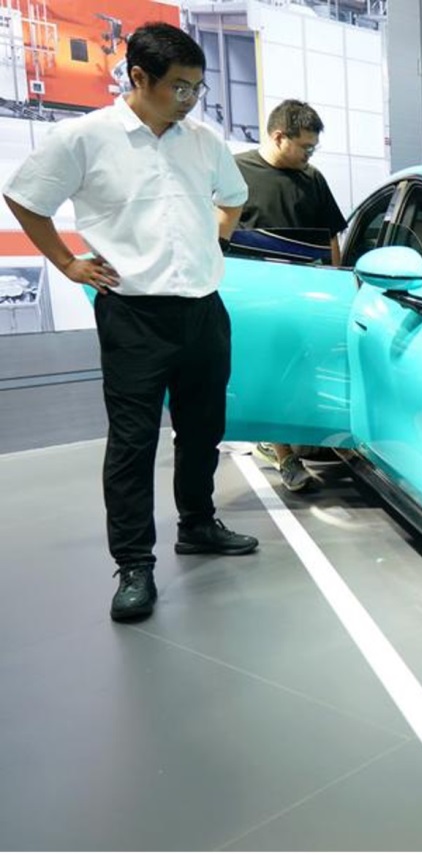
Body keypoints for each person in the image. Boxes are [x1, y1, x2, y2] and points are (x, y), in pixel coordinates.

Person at [2, 22, 256, 623]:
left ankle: (196, 524)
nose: (190, 98)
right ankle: (135, 564)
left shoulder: (203, 140)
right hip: (134, 314)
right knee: (133, 443)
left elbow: (234, 195)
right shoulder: (84, 137)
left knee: (203, 432)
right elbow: (25, 197)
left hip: (203, 309)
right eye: (179, 87)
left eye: (197, 87)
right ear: (138, 78)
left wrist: (215, 234)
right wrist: (67, 262)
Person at [236, 99, 348, 492]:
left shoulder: (312, 179)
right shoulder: (237, 172)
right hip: (259, 303)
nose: (309, 154)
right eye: (305, 147)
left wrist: (336, 283)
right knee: (268, 373)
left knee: (302, 372)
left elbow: (331, 234)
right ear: (279, 136)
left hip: (308, 299)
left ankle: (281, 441)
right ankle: (285, 457)